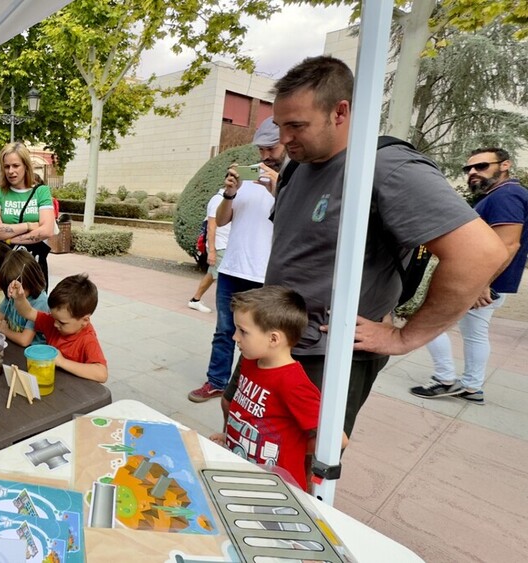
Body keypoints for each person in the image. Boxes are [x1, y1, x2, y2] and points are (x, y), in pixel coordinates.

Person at [224, 56, 506, 438]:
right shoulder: (296, 167)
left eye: (296, 126)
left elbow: (481, 252)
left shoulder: (386, 167)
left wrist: (406, 336)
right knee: (240, 426)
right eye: (280, 126)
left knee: (296, 463)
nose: (284, 139)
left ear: (340, 112)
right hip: (270, 338)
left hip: (327, 355)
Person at [413, 148, 528, 405]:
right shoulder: (500, 195)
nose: (473, 172)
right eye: (469, 169)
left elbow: (509, 244)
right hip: (486, 282)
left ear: (505, 165)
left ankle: (445, 379)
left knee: (427, 321)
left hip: (481, 283)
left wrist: (482, 283)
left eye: (482, 166)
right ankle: (471, 386)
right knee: (475, 332)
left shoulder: (506, 195)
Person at [209, 286, 346, 490]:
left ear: (273, 339)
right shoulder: (250, 361)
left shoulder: (293, 383)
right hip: (245, 471)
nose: (235, 337)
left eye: (243, 331)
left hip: (277, 486)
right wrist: (231, 438)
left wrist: (291, 449)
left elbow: (338, 440)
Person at [189, 118, 283, 403]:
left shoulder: (294, 181)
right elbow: (224, 217)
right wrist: (230, 191)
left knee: (260, 337)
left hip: (265, 274)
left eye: (272, 149)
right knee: (225, 331)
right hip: (232, 269)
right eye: (261, 150)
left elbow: (297, 219)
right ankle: (216, 381)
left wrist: (279, 187)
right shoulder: (247, 180)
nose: (266, 156)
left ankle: (252, 390)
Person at [8, 274, 108, 383]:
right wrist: (19, 298)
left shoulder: (88, 339)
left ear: (84, 321)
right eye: (54, 317)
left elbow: (102, 374)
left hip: (77, 391)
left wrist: (62, 362)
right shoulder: (53, 322)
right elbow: (28, 312)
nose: (55, 324)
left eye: (62, 322)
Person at [0, 143, 55, 286]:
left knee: (34, 307)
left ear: (26, 166)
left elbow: (47, 230)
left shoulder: (41, 191)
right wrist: (29, 226)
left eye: (16, 166)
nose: (11, 171)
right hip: (5, 265)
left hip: (33, 266)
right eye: (6, 166)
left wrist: (9, 238)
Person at [0, 248, 48, 347]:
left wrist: (4, 330)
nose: (12, 293)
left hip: (33, 353)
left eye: (19, 287)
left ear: (31, 280)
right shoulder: (11, 294)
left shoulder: (40, 302)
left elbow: (24, 340)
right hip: (14, 346)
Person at [188, 186, 232, 313]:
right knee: (223, 277)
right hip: (220, 245)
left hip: (224, 244)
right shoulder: (218, 200)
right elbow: (211, 227)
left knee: (212, 274)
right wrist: (212, 251)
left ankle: (195, 300)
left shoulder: (227, 199)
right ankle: (226, 309)